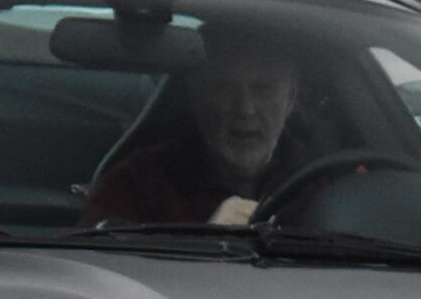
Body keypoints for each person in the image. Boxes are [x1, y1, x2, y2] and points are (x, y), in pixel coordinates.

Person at [82, 27, 302, 226]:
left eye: (263, 89)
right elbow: (87, 266)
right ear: (195, 96)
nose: (245, 109)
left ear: (290, 98)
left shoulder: (323, 185)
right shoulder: (136, 185)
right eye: (223, 88)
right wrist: (204, 241)